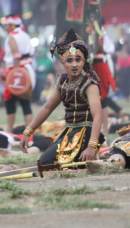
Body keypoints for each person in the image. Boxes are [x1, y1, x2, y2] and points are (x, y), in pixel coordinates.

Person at [19, 29, 104, 165]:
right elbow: (47, 108)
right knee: (44, 162)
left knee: (66, 165)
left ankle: (96, 157)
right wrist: (27, 132)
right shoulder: (62, 82)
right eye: (69, 60)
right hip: (68, 132)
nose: (74, 64)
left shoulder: (89, 84)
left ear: (84, 61)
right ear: (62, 63)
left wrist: (91, 146)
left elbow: (98, 116)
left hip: (87, 134)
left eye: (78, 59)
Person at [2, 15, 36, 133]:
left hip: (15, 71)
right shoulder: (25, 35)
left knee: (9, 101)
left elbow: (16, 56)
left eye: (6, 24)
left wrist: (15, 74)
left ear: (12, 25)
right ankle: (29, 132)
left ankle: (9, 131)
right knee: (25, 102)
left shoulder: (12, 36)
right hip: (27, 70)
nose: (5, 27)